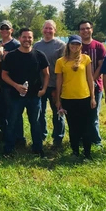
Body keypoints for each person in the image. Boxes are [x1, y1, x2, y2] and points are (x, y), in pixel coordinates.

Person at [2, 28, 49, 158]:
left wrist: (44, 89)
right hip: (16, 96)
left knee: (36, 122)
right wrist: (16, 86)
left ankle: (38, 148)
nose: (27, 40)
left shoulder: (39, 55)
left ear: (33, 39)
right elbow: (4, 75)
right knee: (12, 122)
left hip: (34, 96)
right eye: (24, 37)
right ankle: (8, 148)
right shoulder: (11, 56)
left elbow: (46, 74)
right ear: (19, 38)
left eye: (29, 37)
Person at [55, 35, 96, 159]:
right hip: (68, 98)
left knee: (86, 126)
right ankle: (75, 152)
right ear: (68, 45)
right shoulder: (61, 61)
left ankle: (87, 153)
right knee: (73, 126)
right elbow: (59, 82)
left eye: (77, 44)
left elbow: (90, 78)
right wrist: (58, 100)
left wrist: (93, 97)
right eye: (73, 44)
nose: (75, 46)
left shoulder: (86, 59)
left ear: (80, 46)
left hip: (84, 97)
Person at [33, 20, 66, 148]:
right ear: (42, 30)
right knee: (39, 113)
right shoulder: (37, 45)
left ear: (55, 30)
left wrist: (60, 87)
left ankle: (58, 139)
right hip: (40, 85)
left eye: (50, 28)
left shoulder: (61, 45)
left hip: (55, 85)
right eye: (46, 28)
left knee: (57, 112)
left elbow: (63, 68)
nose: (48, 31)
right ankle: (42, 135)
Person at [0, 20, 24, 144]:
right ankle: (5, 134)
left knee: (14, 112)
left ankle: (19, 138)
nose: (4, 30)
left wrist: (5, 56)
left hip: (11, 83)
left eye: (7, 28)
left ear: (11, 30)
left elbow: (19, 61)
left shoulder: (16, 44)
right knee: (0, 110)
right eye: (2, 28)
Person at [78, 20, 106, 147]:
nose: (85, 31)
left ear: (92, 30)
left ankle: (96, 141)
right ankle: (80, 139)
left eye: (87, 28)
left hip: (96, 86)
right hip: (77, 87)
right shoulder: (75, 46)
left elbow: (101, 66)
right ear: (79, 31)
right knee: (79, 115)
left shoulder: (98, 46)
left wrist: (91, 80)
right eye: (82, 29)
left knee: (93, 115)